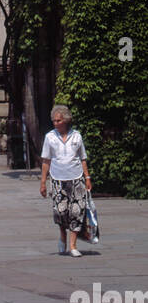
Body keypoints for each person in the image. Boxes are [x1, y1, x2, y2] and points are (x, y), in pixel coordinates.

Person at [39, 104, 91, 257]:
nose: (56, 123)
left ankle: (73, 245)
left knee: (77, 211)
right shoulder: (50, 137)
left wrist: (87, 177)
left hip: (76, 178)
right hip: (58, 179)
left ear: (66, 120)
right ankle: (62, 236)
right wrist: (43, 182)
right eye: (54, 121)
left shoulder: (77, 136)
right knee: (61, 212)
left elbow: (83, 158)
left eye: (59, 120)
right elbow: (46, 160)